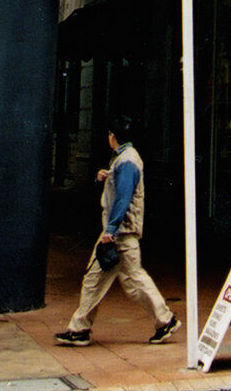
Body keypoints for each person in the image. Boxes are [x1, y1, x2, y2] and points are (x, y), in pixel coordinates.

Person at [55, 115, 181, 347]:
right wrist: (107, 175)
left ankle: (164, 320)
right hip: (120, 234)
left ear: (113, 136)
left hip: (119, 235)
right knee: (122, 281)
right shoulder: (124, 160)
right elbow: (124, 188)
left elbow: (123, 198)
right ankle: (81, 327)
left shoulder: (126, 161)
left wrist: (110, 230)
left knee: (116, 280)